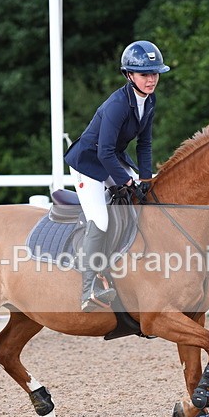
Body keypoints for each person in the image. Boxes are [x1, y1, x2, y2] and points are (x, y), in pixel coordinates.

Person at [64, 40, 170, 312]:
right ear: (129, 75)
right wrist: (124, 183)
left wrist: (144, 180)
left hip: (111, 158)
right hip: (88, 163)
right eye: (145, 74)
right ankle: (88, 289)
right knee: (99, 219)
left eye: (154, 73)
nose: (151, 79)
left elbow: (144, 144)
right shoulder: (117, 105)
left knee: (142, 200)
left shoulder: (150, 100)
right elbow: (105, 152)